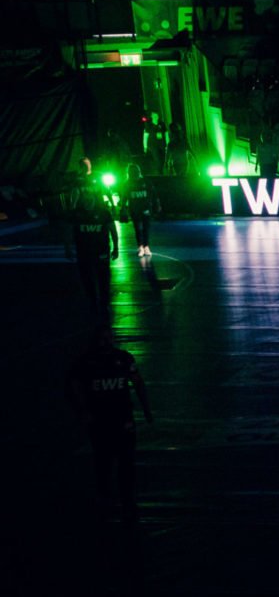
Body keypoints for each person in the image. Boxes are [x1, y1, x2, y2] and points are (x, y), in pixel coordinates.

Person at [68, 327, 153, 519]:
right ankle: (107, 497)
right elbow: (75, 389)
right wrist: (83, 411)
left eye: (108, 338)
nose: (105, 343)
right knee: (103, 461)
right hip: (100, 420)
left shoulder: (123, 359)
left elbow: (138, 382)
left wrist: (146, 409)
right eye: (101, 339)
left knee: (125, 461)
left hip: (122, 419)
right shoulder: (85, 363)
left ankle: (125, 498)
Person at [67, 190, 118, 315]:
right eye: (85, 197)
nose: (87, 200)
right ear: (82, 199)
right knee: (86, 278)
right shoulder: (76, 214)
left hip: (101, 251)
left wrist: (116, 247)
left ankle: (104, 303)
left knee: (103, 278)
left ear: (94, 198)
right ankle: (92, 301)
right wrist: (67, 247)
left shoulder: (104, 213)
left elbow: (113, 230)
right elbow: (69, 231)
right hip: (83, 252)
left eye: (89, 197)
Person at [125, 163, 158, 258]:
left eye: (135, 171)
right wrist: (123, 208)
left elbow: (153, 194)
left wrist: (156, 204)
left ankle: (146, 246)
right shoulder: (127, 184)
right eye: (132, 172)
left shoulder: (146, 182)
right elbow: (124, 197)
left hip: (145, 209)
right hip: (134, 209)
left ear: (138, 172)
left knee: (146, 228)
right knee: (137, 228)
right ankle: (140, 247)